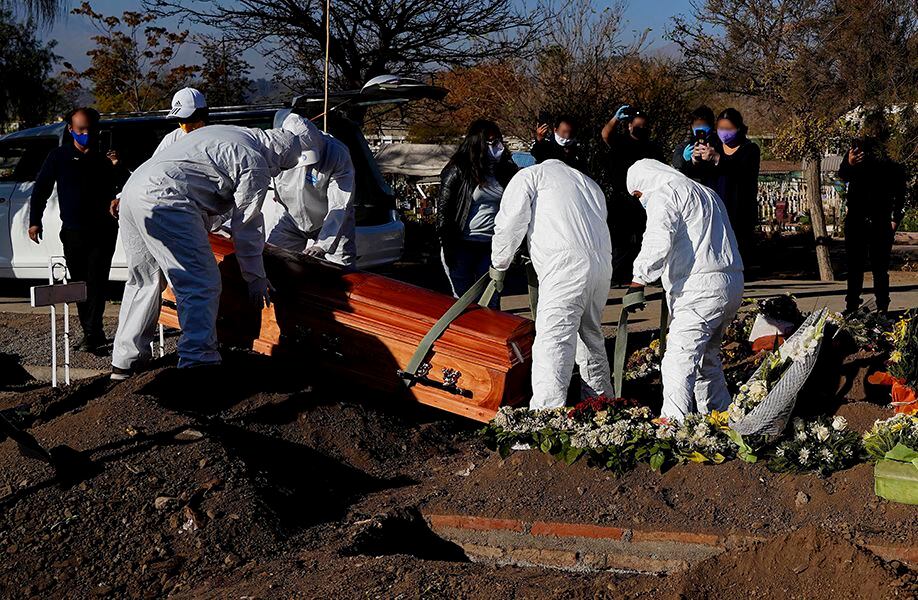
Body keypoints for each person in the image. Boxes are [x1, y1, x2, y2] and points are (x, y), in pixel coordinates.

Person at [110, 124, 307, 379]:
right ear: (279, 158)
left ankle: (126, 361)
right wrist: (255, 276)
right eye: (279, 169)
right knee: (200, 281)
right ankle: (198, 360)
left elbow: (202, 181)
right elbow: (247, 225)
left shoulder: (230, 133)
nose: (276, 173)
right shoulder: (256, 161)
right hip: (165, 196)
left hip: (134, 188)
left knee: (144, 279)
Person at [489, 159, 613, 410]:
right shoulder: (588, 183)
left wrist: (499, 264)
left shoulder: (530, 176)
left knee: (554, 340)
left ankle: (547, 418)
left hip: (564, 266)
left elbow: (511, 222)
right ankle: (600, 407)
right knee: (590, 338)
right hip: (600, 266)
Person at [626, 159, 744, 420]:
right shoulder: (706, 192)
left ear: (643, 183)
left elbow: (658, 239)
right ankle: (720, 418)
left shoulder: (666, 192)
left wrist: (638, 280)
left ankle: (674, 425)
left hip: (699, 289)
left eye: (637, 195)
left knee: (678, 360)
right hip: (729, 282)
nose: (640, 201)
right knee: (707, 359)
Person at [29, 107, 128, 352]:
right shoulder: (58, 157)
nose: (86, 133)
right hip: (73, 231)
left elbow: (126, 186)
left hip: (102, 230)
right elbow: (41, 189)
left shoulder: (106, 158)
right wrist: (35, 220)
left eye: (90, 129)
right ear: (71, 129)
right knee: (80, 284)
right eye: (81, 129)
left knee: (97, 281)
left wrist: (116, 166)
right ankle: (90, 331)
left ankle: (94, 333)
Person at [436, 119, 518, 308]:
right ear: (478, 143)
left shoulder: (505, 170)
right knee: (463, 301)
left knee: (491, 298)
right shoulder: (458, 170)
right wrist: (447, 245)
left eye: (498, 141)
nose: (496, 146)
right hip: (462, 244)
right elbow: (444, 211)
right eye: (491, 142)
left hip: (491, 245)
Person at [838, 113, 907, 314]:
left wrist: (895, 218)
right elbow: (843, 175)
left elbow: (900, 188)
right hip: (857, 216)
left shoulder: (891, 155)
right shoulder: (858, 151)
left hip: (880, 216)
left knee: (879, 267)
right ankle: (851, 306)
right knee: (855, 266)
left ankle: (882, 306)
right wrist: (850, 162)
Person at [268, 113, 357, 267]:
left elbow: (340, 204)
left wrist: (322, 244)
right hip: (289, 219)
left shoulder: (338, 154)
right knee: (274, 262)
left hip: (330, 221)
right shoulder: (277, 149)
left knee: (340, 271)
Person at [110, 88, 210, 220]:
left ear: (202, 115)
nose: (185, 125)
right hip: (183, 209)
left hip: (214, 211)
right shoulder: (173, 138)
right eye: (181, 120)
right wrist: (123, 196)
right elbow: (149, 170)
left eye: (190, 119)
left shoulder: (219, 140)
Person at [601, 105, 665, 284]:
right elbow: (606, 135)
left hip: (644, 199)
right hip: (621, 198)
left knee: (644, 238)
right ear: (629, 125)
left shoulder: (652, 147)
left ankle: (645, 275)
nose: (641, 130)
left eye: (644, 127)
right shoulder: (620, 142)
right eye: (637, 126)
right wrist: (615, 119)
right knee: (620, 240)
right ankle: (616, 275)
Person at [709, 108, 760, 266]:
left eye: (728, 129)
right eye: (721, 128)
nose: (724, 133)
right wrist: (696, 160)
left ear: (738, 128)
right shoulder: (714, 145)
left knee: (739, 253)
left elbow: (741, 171)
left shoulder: (750, 149)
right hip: (715, 208)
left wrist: (718, 159)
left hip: (740, 210)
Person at [671, 105, 719, 185]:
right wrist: (684, 158)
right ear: (692, 126)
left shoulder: (719, 144)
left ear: (711, 125)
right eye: (697, 125)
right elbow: (675, 163)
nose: (701, 128)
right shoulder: (685, 145)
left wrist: (715, 157)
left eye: (704, 125)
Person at [155, 87, 209, 155]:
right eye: (180, 119)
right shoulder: (171, 139)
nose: (185, 127)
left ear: (202, 115)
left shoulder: (216, 139)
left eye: (189, 119)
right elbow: (154, 163)